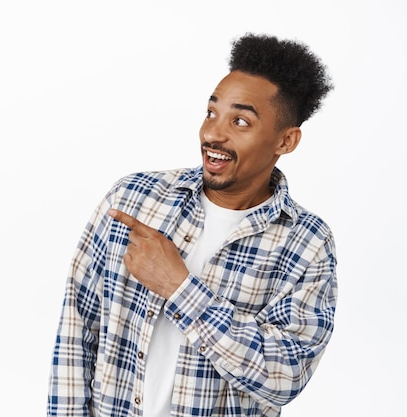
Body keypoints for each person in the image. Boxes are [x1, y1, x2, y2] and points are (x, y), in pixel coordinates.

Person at [47, 33, 337, 417]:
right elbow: (77, 331)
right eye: (211, 112)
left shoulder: (307, 242)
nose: (213, 133)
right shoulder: (133, 199)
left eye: (240, 121)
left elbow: (284, 377)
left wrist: (179, 287)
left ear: (286, 141)